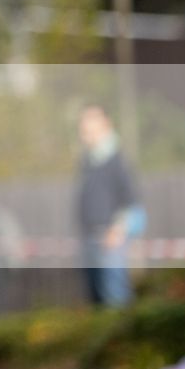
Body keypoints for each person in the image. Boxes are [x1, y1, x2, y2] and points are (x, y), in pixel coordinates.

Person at [76, 104, 141, 308]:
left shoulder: (116, 160)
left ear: (105, 126)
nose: (85, 134)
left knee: (115, 297)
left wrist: (117, 231)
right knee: (97, 299)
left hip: (109, 238)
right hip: (91, 238)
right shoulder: (88, 161)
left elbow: (132, 202)